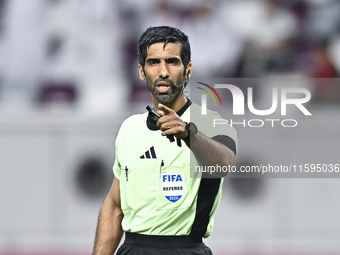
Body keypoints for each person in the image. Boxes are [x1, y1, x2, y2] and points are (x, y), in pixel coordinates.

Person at [92, 26, 238, 255]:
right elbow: (114, 207)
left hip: (185, 249)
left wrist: (190, 134)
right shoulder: (129, 128)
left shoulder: (211, 123)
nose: (163, 71)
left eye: (172, 61)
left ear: (187, 70)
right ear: (141, 71)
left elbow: (225, 163)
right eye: (153, 62)